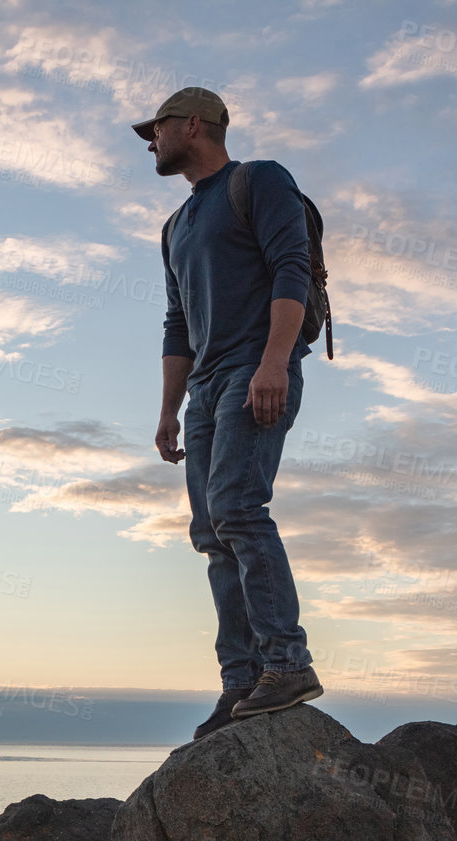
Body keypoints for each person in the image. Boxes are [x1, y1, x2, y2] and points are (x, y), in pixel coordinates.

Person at [132, 87, 322, 739]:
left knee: (239, 508)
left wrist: (275, 362)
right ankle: (241, 681)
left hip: (255, 368)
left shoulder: (259, 180)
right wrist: (168, 409)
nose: (149, 143)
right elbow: (177, 322)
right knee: (213, 535)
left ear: (193, 124)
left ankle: (287, 663)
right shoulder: (175, 226)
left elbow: (291, 269)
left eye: (155, 130)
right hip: (205, 391)